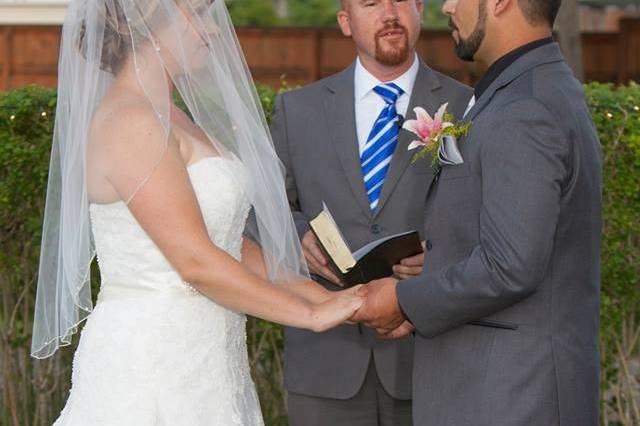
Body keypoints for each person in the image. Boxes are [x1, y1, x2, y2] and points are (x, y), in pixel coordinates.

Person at [31, 1, 365, 424]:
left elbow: (226, 243)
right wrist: (312, 316)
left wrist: (333, 299)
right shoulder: (130, 121)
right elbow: (194, 261)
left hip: (209, 362)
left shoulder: (174, 116)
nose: (213, 30)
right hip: (152, 365)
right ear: (148, 24)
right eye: (200, 14)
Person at [354, 0, 603, 424]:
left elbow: (511, 266)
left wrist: (403, 299)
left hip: (513, 395)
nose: (447, 6)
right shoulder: (523, 89)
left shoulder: (527, 108)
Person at [270, 1, 470, 424]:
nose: (390, 12)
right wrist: (296, 234)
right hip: (324, 362)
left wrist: (444, 254)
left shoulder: (466, 108)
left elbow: (485, 215)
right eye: (372, 3)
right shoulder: (297, 111)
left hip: (432, 358)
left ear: (420, 11)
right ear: (345, 22)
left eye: (403, 0)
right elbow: (261, 208)